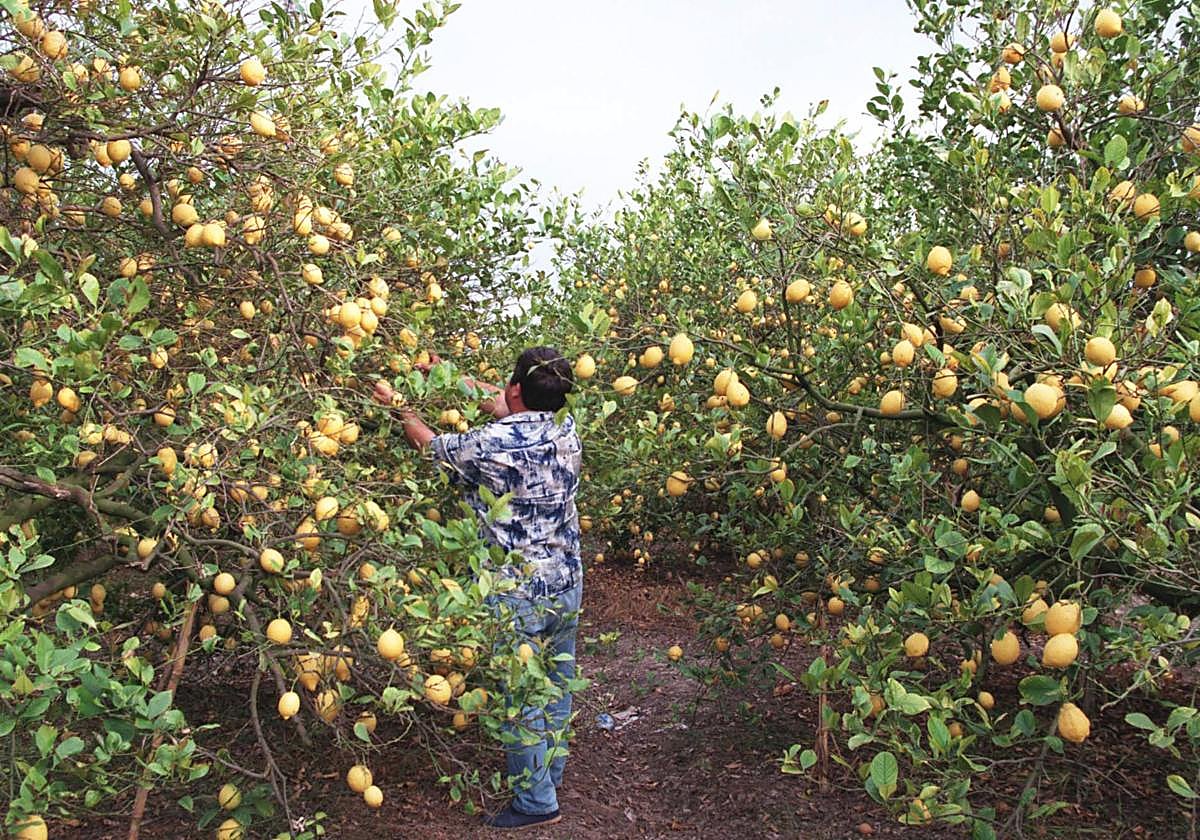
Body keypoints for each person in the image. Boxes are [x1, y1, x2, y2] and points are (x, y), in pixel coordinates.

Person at [372, 346, 583, 831]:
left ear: (516, 388)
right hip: (566, 581)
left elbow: (431, 445)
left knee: (521, 695)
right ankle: (548, 776)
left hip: (517, 591)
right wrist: (444, 373)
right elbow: (504, 403)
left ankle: (536, 803)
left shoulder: (490, 444)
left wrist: (398, 405)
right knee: (555, 686)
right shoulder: (564, 428)